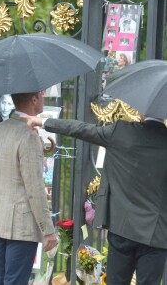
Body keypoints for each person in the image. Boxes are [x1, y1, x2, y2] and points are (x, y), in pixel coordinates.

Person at [22, 114, 167, 285]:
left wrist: (43, 121)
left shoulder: (121, 132)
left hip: (121, 228)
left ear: (143, 112)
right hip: (156, 234)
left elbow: (81, 129)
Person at [0, 91, 58, 285]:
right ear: (34, 99)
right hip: (21, 225)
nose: (43, 99)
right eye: (41, 96)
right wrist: (48, 229)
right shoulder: (28, 136)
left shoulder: (0, 128)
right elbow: (34, 189)